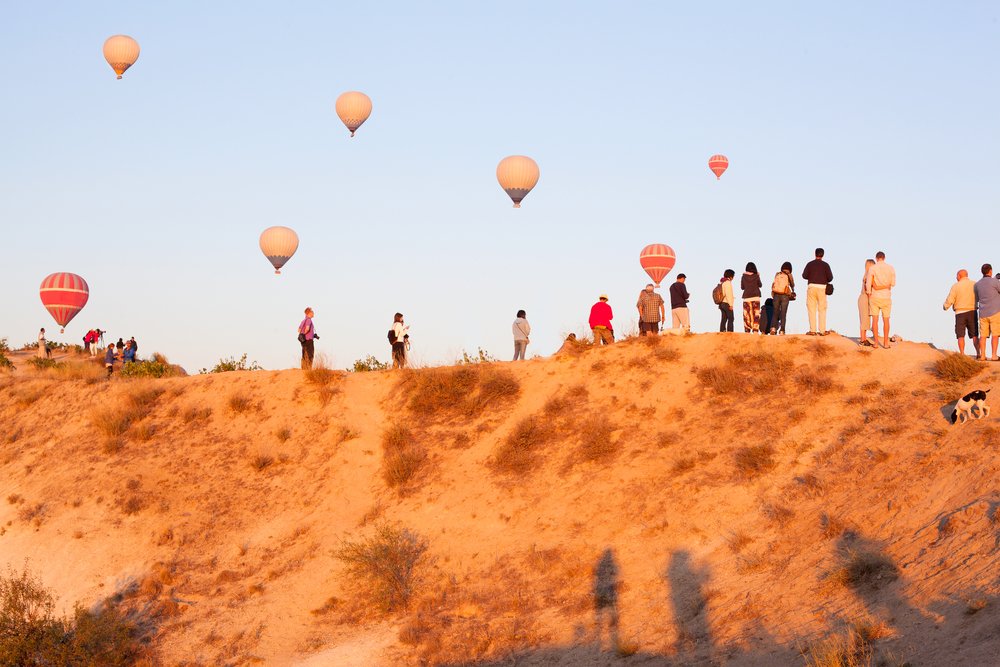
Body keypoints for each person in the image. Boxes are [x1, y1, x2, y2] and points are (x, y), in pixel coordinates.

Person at [943, 269, 980, 357]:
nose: (956, 278)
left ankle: (962, 354)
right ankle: (979, 353)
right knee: (974, 334)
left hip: (960, 313)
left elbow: (950, 299)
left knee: (960, 335)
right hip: (972, 311)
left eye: (956, 276)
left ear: (959, 276)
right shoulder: (974, 284)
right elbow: (979, 296)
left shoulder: (955, 286)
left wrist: (945, 306)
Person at [866, 251, 896, 348]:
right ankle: (886, 343)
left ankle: (875, 343)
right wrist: (886, 286)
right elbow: (893, 283)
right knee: (886, 320)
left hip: (875, 296)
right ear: (884, 258)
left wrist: (869, 293)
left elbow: (868, 284)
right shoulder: (890, 268)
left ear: (876, 258)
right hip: (886, 297)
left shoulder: (872, 268)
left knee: (875, 320)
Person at [802, 248, 834, 335]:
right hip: (822, 288)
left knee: (811, 309)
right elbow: (830, 278)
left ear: (815, 254)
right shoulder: (826, 265)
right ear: (823, 255)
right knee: (822, 309)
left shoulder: (810, 264)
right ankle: (822, 330)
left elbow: (804, 275)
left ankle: (813, 330)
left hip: (812, 287)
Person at [975, 264, 1000, 361]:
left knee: (983, 335)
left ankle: (983, 355)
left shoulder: (978, 284)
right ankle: (994, 355)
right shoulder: (995, 282)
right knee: (995, 334)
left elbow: (977, 297)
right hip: (995, 311)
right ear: (990, 271)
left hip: (982, 313)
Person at [770, 262, 795, 335]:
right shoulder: (789, 275)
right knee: (783, 313)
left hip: (776, 294)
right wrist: (793, 290)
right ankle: (782, 330)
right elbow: (792, 284)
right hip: (785, 295)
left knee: (775, 312)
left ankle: (773, 328)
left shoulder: (777, 274)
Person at [858, 259, 876, 347]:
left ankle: (864, 338)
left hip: (864, 298)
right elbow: (867, 289)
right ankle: (862, 339)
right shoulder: (867, 276)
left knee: (865, 319)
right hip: (865, 298)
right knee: (864, 320)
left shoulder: (867, 275)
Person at [741, 262, 763, 333]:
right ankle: (755, 330)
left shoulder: (743, 276)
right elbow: (760, 285)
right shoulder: (756, 276)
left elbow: (742, 287)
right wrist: (758, 276)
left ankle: (747, 330)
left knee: (746, 315)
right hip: (755, 297)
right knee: (756, 314)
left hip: (746, 298)